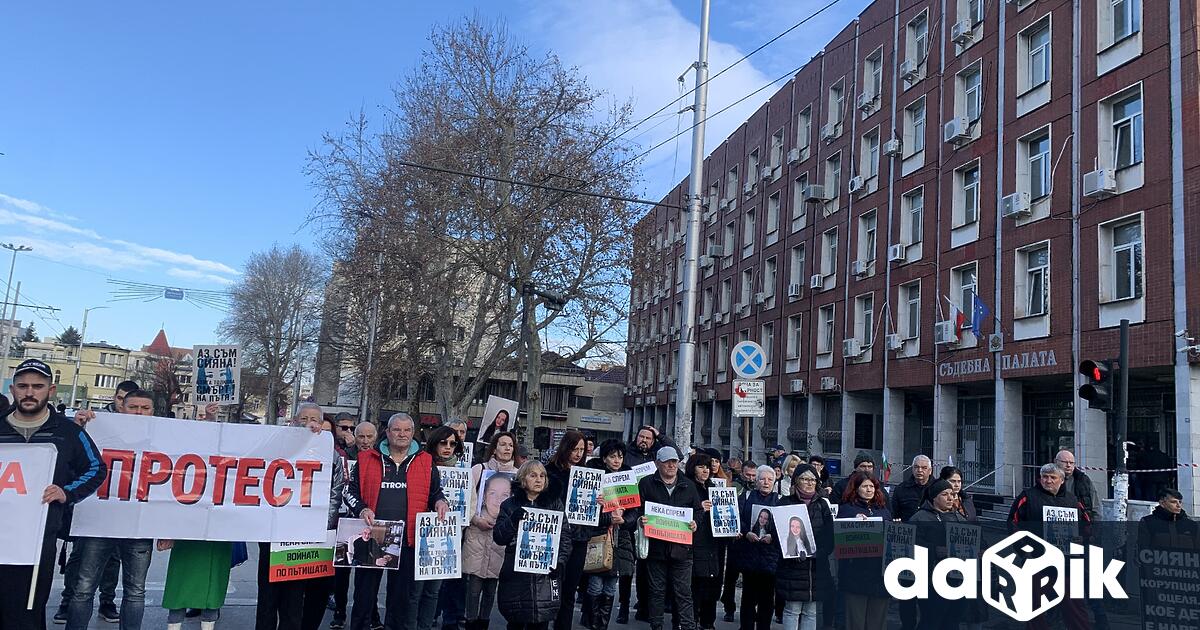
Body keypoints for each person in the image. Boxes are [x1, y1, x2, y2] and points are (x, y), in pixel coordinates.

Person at [0, 359, 106, 628]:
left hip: (37, 541)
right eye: (23, 386)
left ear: (51, 389)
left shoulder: (68, 432)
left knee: (26, 615)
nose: (29, 392)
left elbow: (96, 469)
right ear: (13, 389)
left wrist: (65, 492)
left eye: (38, 386)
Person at [65, 389, 163, 630]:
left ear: (153, 412)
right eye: (133, 407)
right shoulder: (97, 430)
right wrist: (80, 428)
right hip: (100, 523)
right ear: (121, 408)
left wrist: (166, 528)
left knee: (135, 591)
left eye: (145, 408)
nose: (139, 412)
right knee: (83, 588)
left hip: (139, 527)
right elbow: (72, 457)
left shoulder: (164, 439)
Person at [345, 413, 450, 630]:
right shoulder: (366, 458)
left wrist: (441, 501)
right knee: (364, 597)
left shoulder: (426, 461)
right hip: (371, 535)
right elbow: (349, 491)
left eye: (406, 430)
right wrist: (361, 508)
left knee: (401, 600)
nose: (402, 434)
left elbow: (436, 492)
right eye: (396, 430)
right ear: (387, 432)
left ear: (413, 433)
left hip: (408, 538)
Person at [56, 379, 138, 624]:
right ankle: (67, 600)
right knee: (81, 556)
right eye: (121, 399)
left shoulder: (149, 428)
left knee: (113, 558)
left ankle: (107, 600)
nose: (125, 404)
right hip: (94, 503)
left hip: (126, 506)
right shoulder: (96, 422)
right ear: (116, 399)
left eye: (130, 401)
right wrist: (78, 426)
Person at [1007, 464, 1090, 630]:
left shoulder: (1073, 500)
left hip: (1066, 564)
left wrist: (1082, 539)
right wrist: (1023, 550)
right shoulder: (1027, 497)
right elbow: (1012, 523)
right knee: (1034, 607)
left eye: (1053, 477)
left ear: (1061, 480)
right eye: (1045, 477)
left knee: (1075, 607)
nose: (1048, 480)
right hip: (1036, 562)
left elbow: (1086, 524)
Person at [494, 461, 574, 630]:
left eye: (542, 475)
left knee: (541, 621)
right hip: (516, 576)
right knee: (516, 621)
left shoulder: (554, 504)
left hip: (544, 576)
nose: (539, 479)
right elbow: (499, 537)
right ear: (523, 479)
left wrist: (560, 562)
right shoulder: (509, 505)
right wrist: (513, 521)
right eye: (533, 475)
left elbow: (565, 537)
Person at [638, 446, 709, 630]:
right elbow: (638, 510)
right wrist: (641, 519)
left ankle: (687, 626)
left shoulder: (688, 485)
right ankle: (657, 626)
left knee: (684, 592)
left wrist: (695, 523)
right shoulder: (646, 484)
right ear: (657, 463)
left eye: (675, 461)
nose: (671, 465)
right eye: (667, 461)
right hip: (656, 548)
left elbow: (698, 511)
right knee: (656, 591)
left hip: (682, 550)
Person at [464, 431, 518, 630]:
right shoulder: (479, 470)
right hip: (477, 533)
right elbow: (467, 500)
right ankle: (470, 622)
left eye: (510, 445)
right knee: (474, 586)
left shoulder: (518, 474)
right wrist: (475, 520)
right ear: (494, 448)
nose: (506, 448)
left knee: (491, 587)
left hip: (500, 537)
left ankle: (483, 623)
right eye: (502, 444)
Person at [774, 465, 833, 630]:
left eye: (813, 479)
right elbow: (777, 534)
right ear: (796, 481)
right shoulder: (784, 503)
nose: (809, 483)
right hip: (792, 568)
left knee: (811, 611)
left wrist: (817, 553)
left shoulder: (823, 505)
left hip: (816, 567)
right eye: (805, 479)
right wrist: (790, 552)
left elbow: (830, 536)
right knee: (792, 610)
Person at [586, 440, 636, 630]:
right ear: (604, 458)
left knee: (610, 585)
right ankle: (592, 622)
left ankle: (602, 625)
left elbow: (634, 510)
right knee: (596, 584)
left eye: (620, 457)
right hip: (599, 536)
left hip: (620, 539)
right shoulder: (595, 478)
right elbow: (586, 512)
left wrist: (625, 521)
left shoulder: (628, 478)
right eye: (612, 456)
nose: (617, 460)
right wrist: (602, 511)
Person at [545, 430, 590, 630]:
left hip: (578, 538)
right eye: (575, 449)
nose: (579, 453)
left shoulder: (588, 474)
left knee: (569, 591)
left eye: (582, 449)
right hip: (553, 536)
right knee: (549, 589)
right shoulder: (550, 471)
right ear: (565, 448)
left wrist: (596, 502)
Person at [835, 472, 891, 630]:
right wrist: (855, 523)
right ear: (856, 489)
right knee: (856, 622)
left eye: (872, 486)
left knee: (877, 623)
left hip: (880, 575)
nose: (869, 489)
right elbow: (841, 540)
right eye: (865, 486)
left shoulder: (884, 510)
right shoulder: (847, 510)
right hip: (856, 575)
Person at [908, 479, 964, 630]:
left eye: (952, 494)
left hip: (956, 579)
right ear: (934, 497)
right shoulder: (919, 518)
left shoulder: (958, 517)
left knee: (952, 620)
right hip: (929, 580)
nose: (950, 498)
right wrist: (934, 550)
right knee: (931, 619)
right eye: (945, 494)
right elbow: (909, 546)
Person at [889, 454, 931, 630]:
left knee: (928, 600)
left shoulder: (937, 488)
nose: (919, 471)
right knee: (907, 598)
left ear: (930, 470)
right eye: (916, 468)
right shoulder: (901, 489)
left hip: (931, 551)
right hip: (907, 550)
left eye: (923, 468)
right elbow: (894, 516)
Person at [736, 465, 779, 630]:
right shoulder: (746, 497)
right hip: (750, 555)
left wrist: (773, 536)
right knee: (748, 597)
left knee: (767, 599)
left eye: (770, 479)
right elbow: (738, 517)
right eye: (762, 479)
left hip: (770, 558)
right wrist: (746, 532)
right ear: (756, 480)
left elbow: (783, 526)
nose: (766, 482)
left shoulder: (780, 500)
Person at [685, 453, 722, 630]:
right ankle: (692, 621)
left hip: (713, 543)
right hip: (693, 542)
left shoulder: (713, 487)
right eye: (701, 466)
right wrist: (700, 509)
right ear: (693, 468)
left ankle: (708, 621)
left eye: (707, 466)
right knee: (695, 585)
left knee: (711, 584)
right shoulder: (686, 487)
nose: (706, 470)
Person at [720, 460, 756, 622]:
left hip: (751, 541)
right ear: (742, 473)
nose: (750, 478)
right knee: (731, 577)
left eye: (753, 475)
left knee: (750, 579)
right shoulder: (734, 487)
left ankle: (749, 609)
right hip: (735, 539)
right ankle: (729, 607)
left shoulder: (757, 490)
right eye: (747, 474)